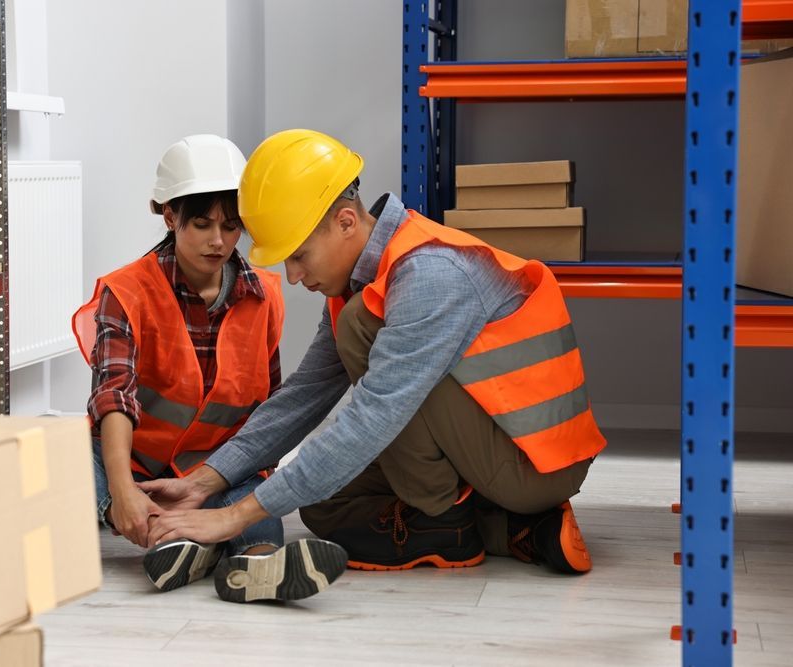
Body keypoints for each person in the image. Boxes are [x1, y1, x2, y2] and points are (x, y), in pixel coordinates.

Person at [143, 129, 606, 575]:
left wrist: (234, 517)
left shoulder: (429, 276)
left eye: (300, 255)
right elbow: (304, 395)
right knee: (324, 503)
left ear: (346, 222)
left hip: (531, 464)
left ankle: (454, 516)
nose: (292, 276)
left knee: (359, 339)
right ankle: (505, 529)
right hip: (485, 448)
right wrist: (206, 480)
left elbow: (373, 417)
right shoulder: (366, 281)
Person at [72, 134, 347, 603]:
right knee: (76, 457)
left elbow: (269, 412)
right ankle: (182, 538)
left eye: (232, 225)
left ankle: (256, 563)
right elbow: (113, 396)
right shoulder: (126, 292)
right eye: (201, 224)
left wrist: (239, 477)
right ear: (169, 216)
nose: (218, 241)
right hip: (137, 467)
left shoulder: (265, 296)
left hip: (218, 469)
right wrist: (122, 490)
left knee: (248, 490)